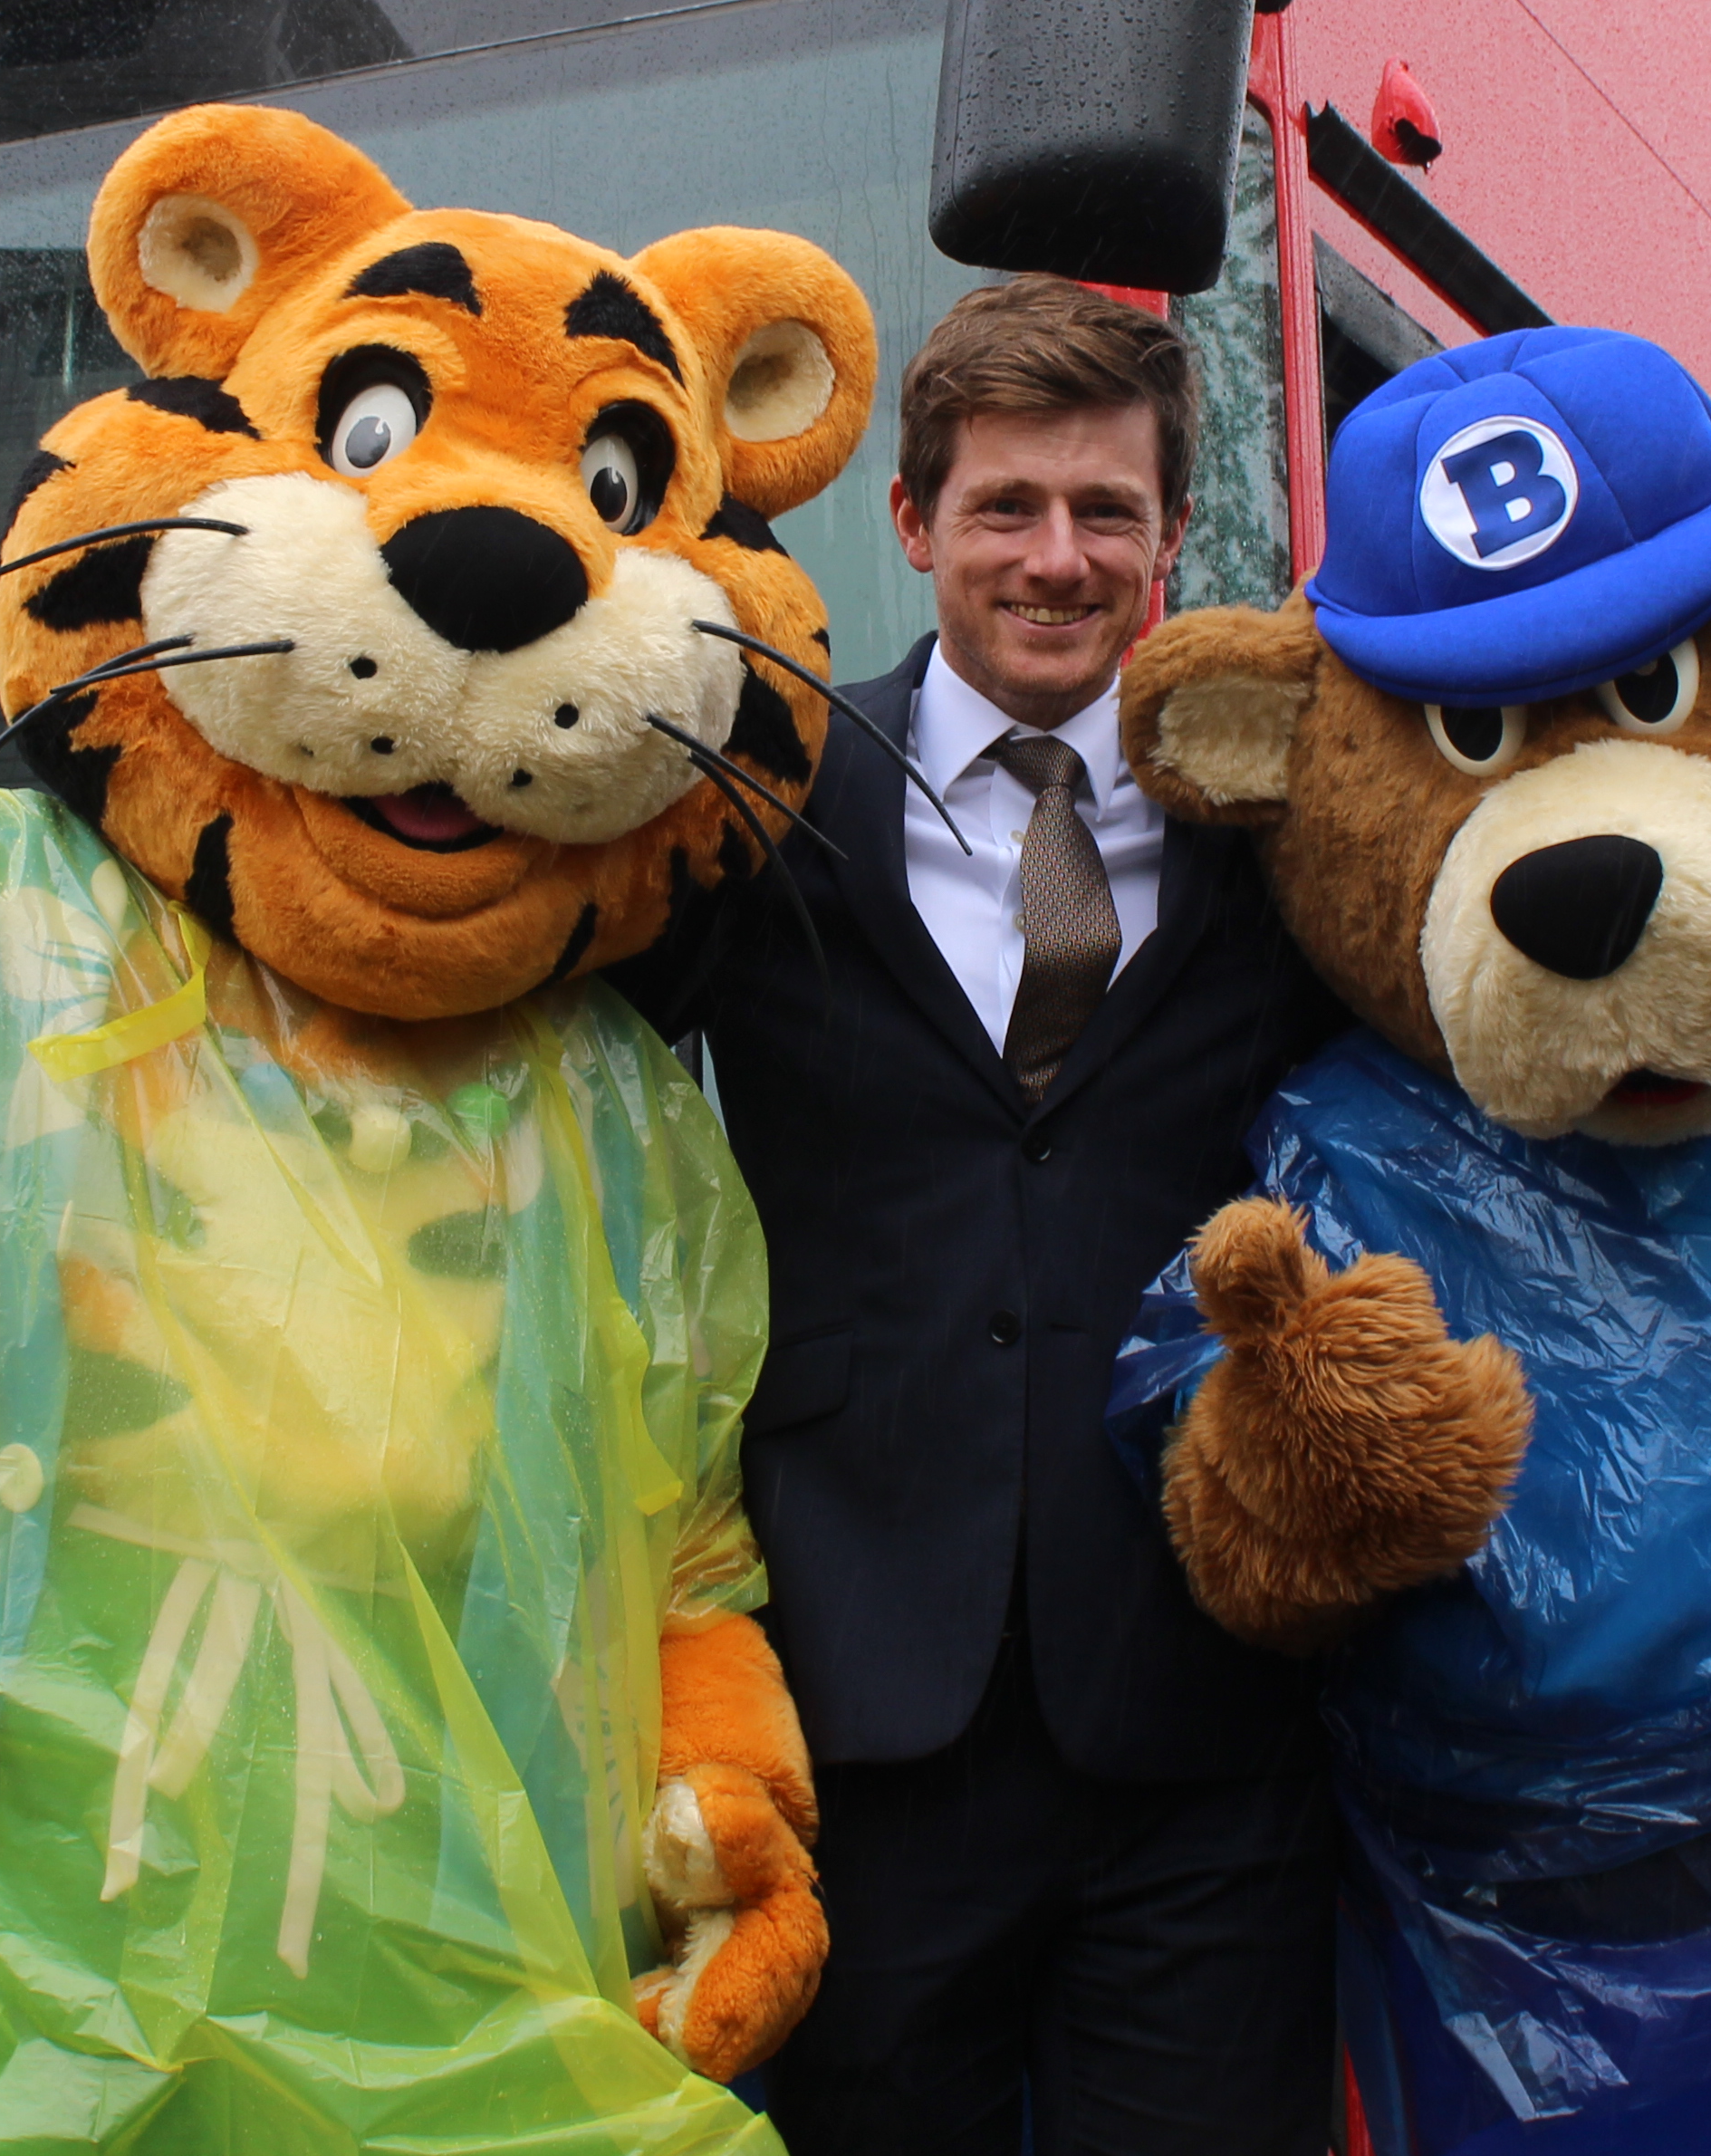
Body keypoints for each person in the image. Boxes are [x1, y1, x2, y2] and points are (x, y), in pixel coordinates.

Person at [637, 277, 1341, 2156]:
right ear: (913, 526)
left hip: (1210, 1723)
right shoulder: (764, 796)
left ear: (1173, 537)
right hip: (865, 1713)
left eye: (1106, 513)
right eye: (1008, 508)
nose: (1058, 558)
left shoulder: (1277, 833)